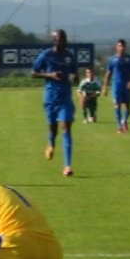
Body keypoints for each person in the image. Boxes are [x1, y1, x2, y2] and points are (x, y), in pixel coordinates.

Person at [32, 29, 79, 177]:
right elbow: (34, 73)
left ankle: (67, 166)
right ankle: (51, 143)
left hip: (65, 98)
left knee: (66, 128)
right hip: (51, 98)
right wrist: (49, 74)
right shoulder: (46, 55)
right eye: (59, 39)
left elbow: (75, 73)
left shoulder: (69, 57)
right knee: (53, 129)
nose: (62, 41)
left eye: (64, 38)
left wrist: (75, 77)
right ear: (54, 41)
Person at [102, 38, 130, 133]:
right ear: (116, 47)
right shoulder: (113, 60)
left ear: (125, 47)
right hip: (116, 85)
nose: (121, 48)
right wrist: (105, 87)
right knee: (117, 105)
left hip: (127, 86)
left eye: (123, 46)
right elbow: (108, 73)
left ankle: (124, 121)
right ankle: (119, 126)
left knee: (128, 108)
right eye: (119, 46)